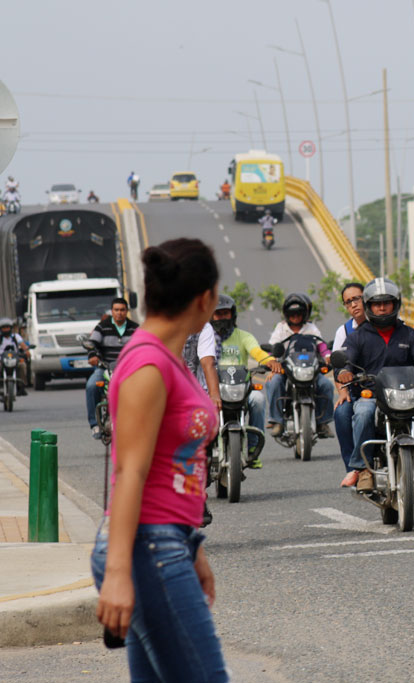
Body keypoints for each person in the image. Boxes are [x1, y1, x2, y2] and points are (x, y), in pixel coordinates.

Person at [91, 238, 228, 680]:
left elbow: (173, 467)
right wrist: (117, 572)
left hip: (167, 543)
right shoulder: (148, 366)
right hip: (147, 548)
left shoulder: (169, 358)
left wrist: (194, 549)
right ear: (205, 298)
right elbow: (130, 471)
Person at [336, 278, 414, 492]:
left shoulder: (409, 334)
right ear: (369, 306)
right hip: (372, 396)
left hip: (407, 395)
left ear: (396, 304)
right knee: (364, 412)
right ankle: (364, 469)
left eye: (386, 302)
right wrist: (344, 371)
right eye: (377, 304)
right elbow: (346, 358)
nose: (382, 308)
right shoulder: (358, 337)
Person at [204, 294, 281, 468]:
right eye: (218, 313)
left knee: (259, 399)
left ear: (233, 315)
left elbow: (257, 352)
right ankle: (201, 452)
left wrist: (270, 361)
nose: (222, 317)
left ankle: (253, 448)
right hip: (213, 390)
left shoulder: (243, 336)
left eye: (226, 313)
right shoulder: (204, 337)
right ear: (211, 316)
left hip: (241, 388)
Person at [265, 293, 334, 439]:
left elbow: (321, 345)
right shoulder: (281, 328)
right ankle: (277, 421)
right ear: (286, 315)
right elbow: (273, 349)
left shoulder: (311, 328)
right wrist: (273, 365)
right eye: (292, 314)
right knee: (274, 382)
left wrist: (328, 356)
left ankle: (323, 422)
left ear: (305, 314)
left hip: (311, 368)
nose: (295, 317)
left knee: (327, 385)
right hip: (287, 369)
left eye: (299, 314)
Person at [85, 298, 139, 438]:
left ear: (127, 311)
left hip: (128, 369)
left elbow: (143, 345)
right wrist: (92, 356)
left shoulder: (135, 328)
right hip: (105, 368)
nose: (119, 313)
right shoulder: (102, 326)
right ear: (112, 311)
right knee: (91, 386)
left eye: (122, 310)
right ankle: (95, 424)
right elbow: (92, 343)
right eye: (116, 310)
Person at [333, 282, 366, 487]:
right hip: (358, 389)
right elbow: (338, 367)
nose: (353, 304)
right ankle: (354, 468)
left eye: (357, 298)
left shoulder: (387, 323)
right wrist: (342, 391)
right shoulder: (344, 331)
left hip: (389, 387)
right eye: (348, 302)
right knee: (342, 412)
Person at [0, 317, 30, 396]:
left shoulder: (16, 337)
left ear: (10, 328)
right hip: (1, 360)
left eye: (7, 327)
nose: (6, 329)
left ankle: (22, 386)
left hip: (15, 360)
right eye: (4, 328)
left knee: (22, 365)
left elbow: (23, 345)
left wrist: (26, 351)